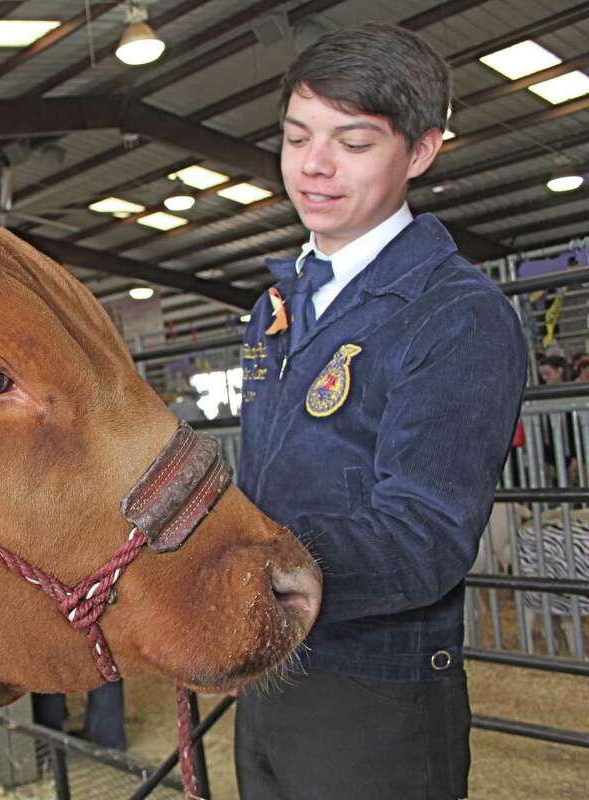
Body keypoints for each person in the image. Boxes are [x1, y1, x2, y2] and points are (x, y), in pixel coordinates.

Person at [233, 23, 527, 800]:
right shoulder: (275, 306)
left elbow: (423, 535)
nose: (313, 166)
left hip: (374, 693)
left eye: (354, 142)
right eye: (297, 137)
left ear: (422, 151)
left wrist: (243, 571)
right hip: (268, 671)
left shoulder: (454, 314)